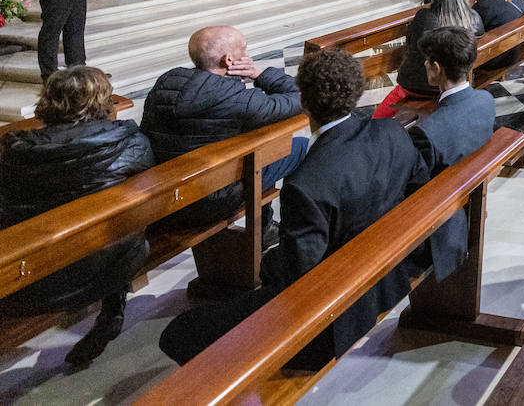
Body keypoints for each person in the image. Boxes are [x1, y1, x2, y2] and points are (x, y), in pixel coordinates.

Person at [159, 49, 426, 370]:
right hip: (387, 275)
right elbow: (417, 187)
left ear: (303, 103)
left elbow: (296, 273)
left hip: (329, 312)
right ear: (356, 93)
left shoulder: (306, 183)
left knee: (178, 334)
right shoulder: (392, 132)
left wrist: (266, 265)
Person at [0, 66, 155, 368]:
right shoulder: (128, 142)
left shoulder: (15, 153)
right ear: (103, 102)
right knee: (121, 222)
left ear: (48, 101)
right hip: (113, 263)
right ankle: (113, 312)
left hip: (29, 276)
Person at [140, 25, 305, 232]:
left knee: (259, 152)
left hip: (163, 196)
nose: (248, 55)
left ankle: (265, 224)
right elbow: (300, 97)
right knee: (299, 146)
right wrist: (258, 73)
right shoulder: (235, 99)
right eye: (244, 49)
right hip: (210, 199)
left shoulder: (167, 81)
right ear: (228, 60)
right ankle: (283, 230)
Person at [407, 26, 495, 280]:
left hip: (438, 233)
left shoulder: (427, 134)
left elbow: (413, 191)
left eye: (427, 60)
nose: (424, 64)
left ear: (437, 68)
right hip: (468, 201)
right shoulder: (485, 100)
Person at [373, 0, 484, 118]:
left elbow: (410, 42)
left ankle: (374, 123)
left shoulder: (425, 16)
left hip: (419, 84)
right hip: (456, 83)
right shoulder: (473, 18)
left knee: (391, 101)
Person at [473, 0, 524, 69]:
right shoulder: (520, 2)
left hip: (489, 58)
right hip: (514, 53)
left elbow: (473, 31)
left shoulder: (483, 5)